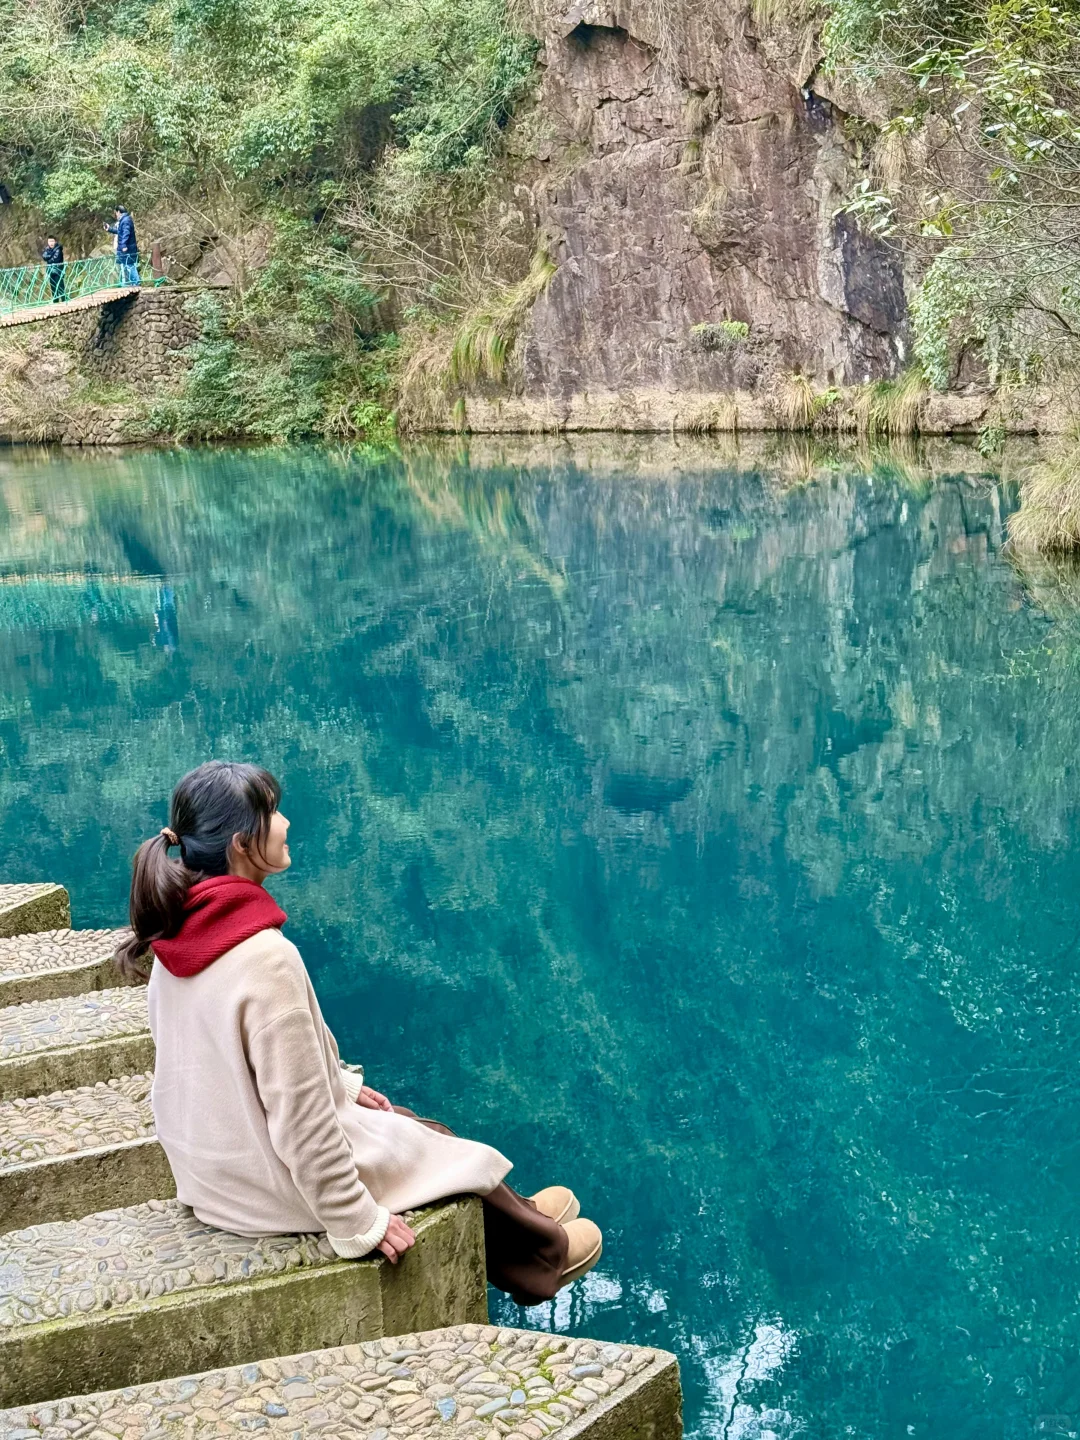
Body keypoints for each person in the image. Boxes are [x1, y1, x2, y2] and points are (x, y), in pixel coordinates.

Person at [115, 761, 602, 1303]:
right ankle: (541, 1259)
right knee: (421, 1145)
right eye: (272, 812)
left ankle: (528, 1218)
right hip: (265, 1191)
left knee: (402, 1122)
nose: (286, 822)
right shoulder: (264, 958)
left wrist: (339, 1084)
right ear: (243, 844)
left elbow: (224, 1063)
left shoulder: (177, 938)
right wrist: (355, 1220)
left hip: (212, 1179)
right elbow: (301, 1123)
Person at [104, 206, 140, 286]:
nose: (116, 215)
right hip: (127, 248)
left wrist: (123, 245)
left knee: (129, 265)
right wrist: (109, 229)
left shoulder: (126, 221)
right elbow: (120, 231)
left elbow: (126, 233)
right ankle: (132, 283)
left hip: (128, 248)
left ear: (118, 212)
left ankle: (136, 283)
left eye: (116, 213)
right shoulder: (125, 220)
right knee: (127, 265)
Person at [41, 237, 67, 302]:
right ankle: (56, 302)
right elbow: (44, 256)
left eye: (52, 241)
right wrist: (51, 255)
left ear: (55, 241)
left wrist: (49, 257)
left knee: (60, 286)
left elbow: (56, 259)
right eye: (49, 241)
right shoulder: (47, 249)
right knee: (53, 287)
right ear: (48, 242)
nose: (51, 243)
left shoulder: (58, 249)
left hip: (58, 270)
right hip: (51, 271)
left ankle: (64, 301)